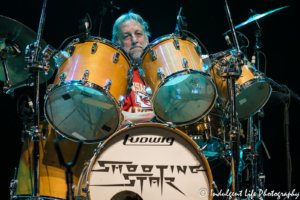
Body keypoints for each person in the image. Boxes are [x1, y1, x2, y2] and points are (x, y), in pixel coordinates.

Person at [112, 11, 155, 126]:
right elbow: (108, 118)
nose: (134, 40)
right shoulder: (113, 75)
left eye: (139, 34)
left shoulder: (159, 73)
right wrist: (152, 117)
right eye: (127, 36)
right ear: (117, 43)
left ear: (147, 39)